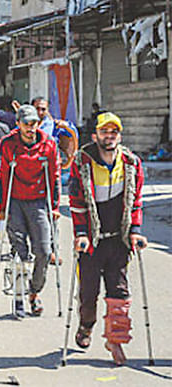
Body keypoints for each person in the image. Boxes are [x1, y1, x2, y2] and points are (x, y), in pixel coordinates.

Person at [68, 112, 148, 366]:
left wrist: (135, 230)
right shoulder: (82, 161)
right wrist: (81, 233)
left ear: (119, 136)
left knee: (120, 293)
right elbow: (77, 201)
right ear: (95, 136)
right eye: (105, 132)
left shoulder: (131, 163)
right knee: (89, 294)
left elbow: (135, 200)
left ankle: (116, 341)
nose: (109, 136)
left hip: (118, 240)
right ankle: (86, 326)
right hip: (92, 240)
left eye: (114, 132)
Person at [0, 105, 61, 317]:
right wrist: (2, 208)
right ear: (18, 124)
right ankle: (18, 296)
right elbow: (3, 176)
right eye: (26, 124)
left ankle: (34, 292)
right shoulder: (8, 145)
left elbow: (55, 176)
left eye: (34, 123)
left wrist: (56, 206)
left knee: (43, 251)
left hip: (39, 202)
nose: (30, 128)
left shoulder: (48, 145)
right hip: (14, 202)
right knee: (20, 253)